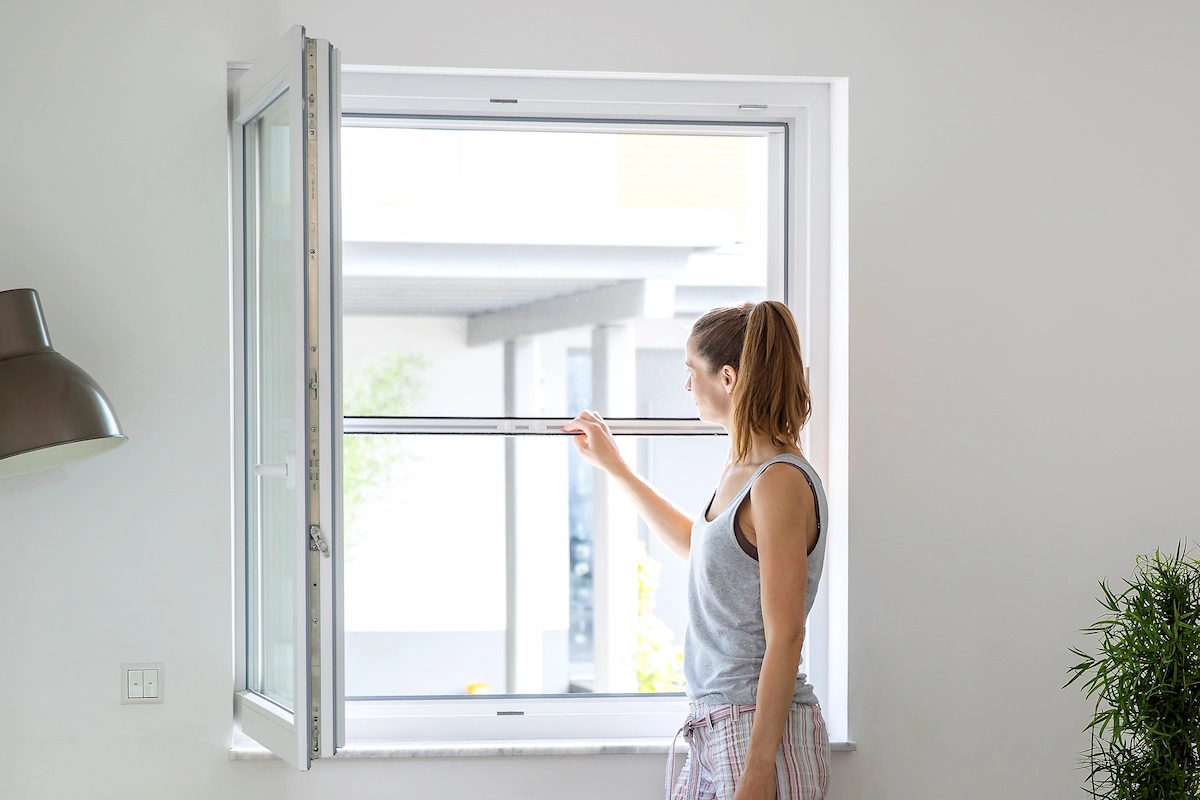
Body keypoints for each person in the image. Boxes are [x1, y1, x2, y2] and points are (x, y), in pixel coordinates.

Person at [563, 300, 830, 800]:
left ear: (727, 378)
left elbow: (787, 635)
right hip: (715, 723)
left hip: (756, 727)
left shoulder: (780, 482)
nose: (687, 386)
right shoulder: (739, 472)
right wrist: (617, 468)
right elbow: (699, 546)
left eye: (692, 371)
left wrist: (758, 768)